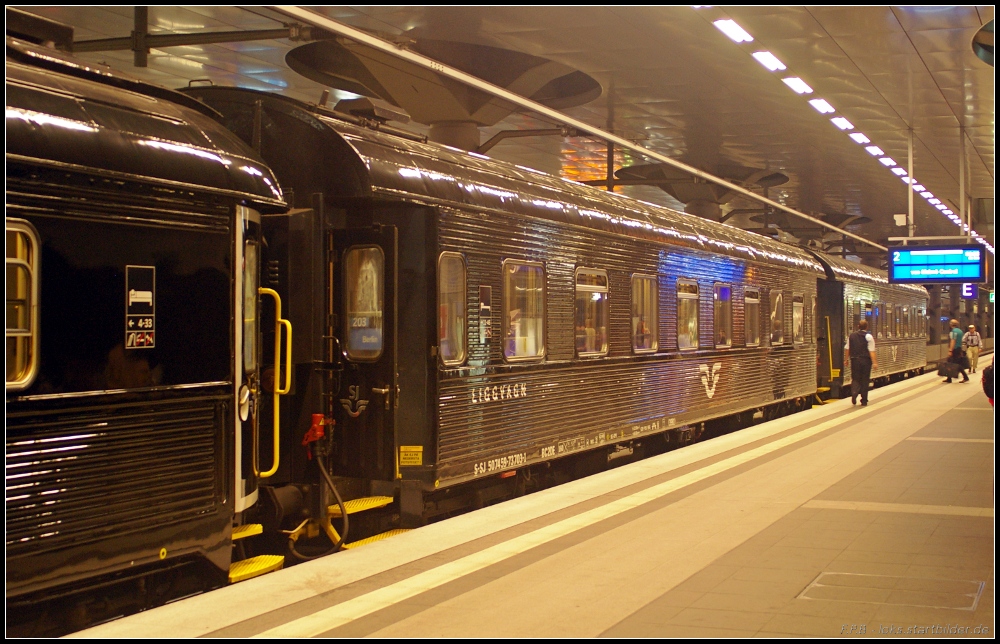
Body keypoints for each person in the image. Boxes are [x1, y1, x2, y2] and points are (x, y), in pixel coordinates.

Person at [844, 319, 877, 406]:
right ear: (867, 327)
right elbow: (871, 351)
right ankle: (864, 400)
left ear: (858, 326)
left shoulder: (851, 336)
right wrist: (874, 362)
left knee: (855, 378)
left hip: (855, 360)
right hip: (866, 361)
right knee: (865, 380)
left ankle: (854, 393)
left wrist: (846, 359)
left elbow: (847, 348)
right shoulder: (869, 337)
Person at [944, 319, 970, 383]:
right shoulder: (960, 331)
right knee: (952, 363)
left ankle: (965, 377)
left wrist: (950, 350)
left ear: (951, 324)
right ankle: (949, 378)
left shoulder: (953, 331)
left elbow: (953, 341)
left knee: (955, 364)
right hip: (959, 349)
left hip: (955, 349)